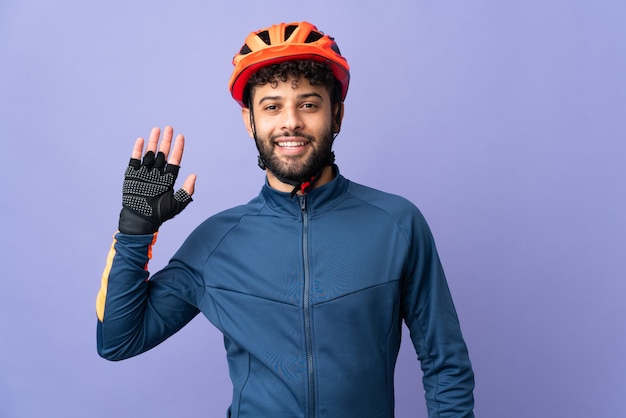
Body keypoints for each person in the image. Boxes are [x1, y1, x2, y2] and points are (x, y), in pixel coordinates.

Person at [96, 21, 475, 417]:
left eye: (308, 104)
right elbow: (118, 340)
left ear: (337, 115)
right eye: (272, 106)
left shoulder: (398, 223)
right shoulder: (216, 242)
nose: (290, 121)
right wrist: (136, 232)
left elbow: (445, 363)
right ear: (250, 121)